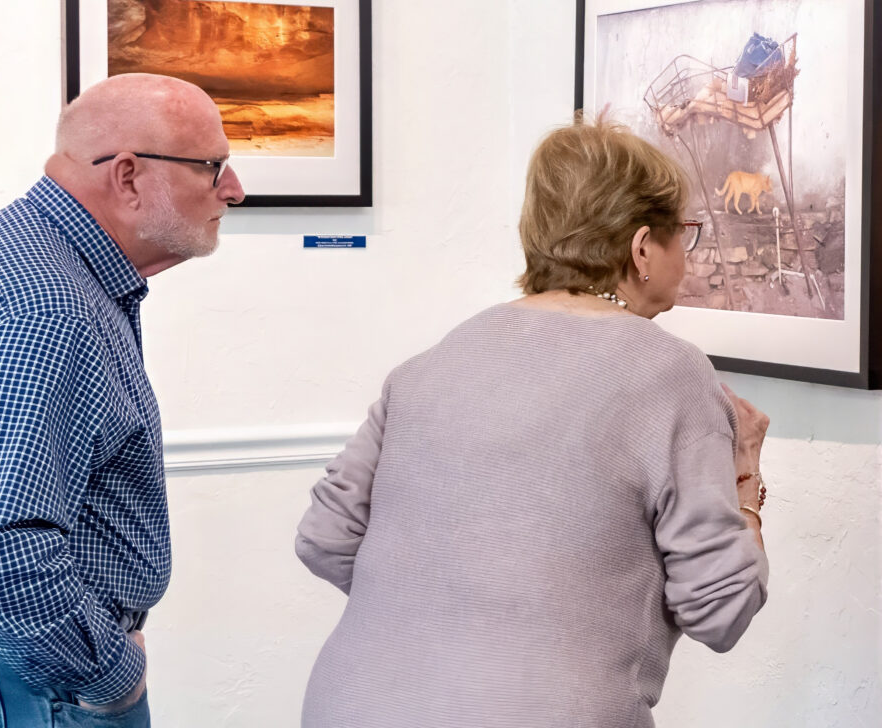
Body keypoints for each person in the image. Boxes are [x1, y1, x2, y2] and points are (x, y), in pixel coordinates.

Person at [295, 117, 769, 728]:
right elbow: (722, 610)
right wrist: (746, 484)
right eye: (686, 234)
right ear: (642, 247)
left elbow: (324, 538)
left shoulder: (437, 358)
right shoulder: (670, 372)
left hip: (350, 706)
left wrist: (449, 623)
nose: (688, 253)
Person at [0, 72, 244, 727]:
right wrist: (110, 677)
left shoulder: (18, 256)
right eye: (212, 168)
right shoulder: (46, 304)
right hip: (24, 681)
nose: (233, 191)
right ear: (128, 176)